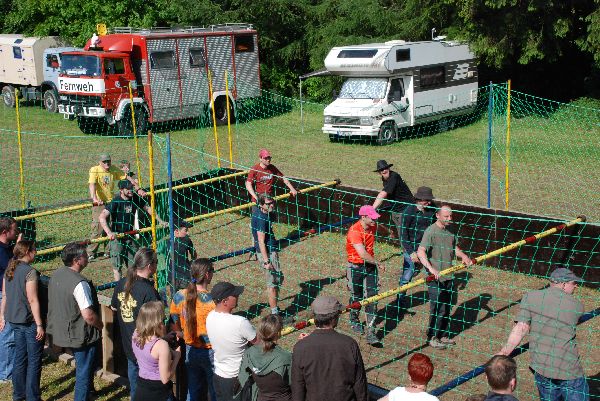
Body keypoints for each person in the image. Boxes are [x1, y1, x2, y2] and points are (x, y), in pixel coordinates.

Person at [498, 267, 589, 401]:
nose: (576, 286)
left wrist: (504, 352)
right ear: (563, 284)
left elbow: (521, 328)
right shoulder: (577, 306)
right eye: (573, 283)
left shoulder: (530, 297)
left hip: (542, 367)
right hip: (569, 370)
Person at [47, 242, 103, 401]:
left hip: (62, 331)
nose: (88, 257)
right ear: (77, 260)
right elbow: (88, 316)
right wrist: (101, 326)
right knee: (84, 372)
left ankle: (89, 393)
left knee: (83, 367)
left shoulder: (57, 274)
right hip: (80, 335)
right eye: (85, 255)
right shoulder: (80, 284)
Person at [417, 205, 473, 350]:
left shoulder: (450, 230)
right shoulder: (430, 232)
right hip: (434, 278)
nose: (449, 219)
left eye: (451, 216)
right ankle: (431, 337)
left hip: (449, 276)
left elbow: (454, 247)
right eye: (446, 216)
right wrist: (431, 268)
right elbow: (421, 251)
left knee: (446, 308)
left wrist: (464, 256)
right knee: (437, 307)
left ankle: (441, 335)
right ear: (438, 216)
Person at [291, 295, 367, 401]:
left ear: (314, 317)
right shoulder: (350, 344)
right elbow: (360, 385)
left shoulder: (300, 347)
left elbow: (297, 388)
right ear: (334, 318)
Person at [111, 248, 161, 401]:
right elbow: (157, 323)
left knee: (135, 386)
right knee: (152, 390)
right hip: (146, 349)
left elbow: (113, 307)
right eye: (156, 263)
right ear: (149, 266)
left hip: (129, 344)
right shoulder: (148, 291)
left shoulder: (121, 284)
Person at [0, 240, 44, 401]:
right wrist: (39, 324)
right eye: (34, 250)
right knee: (33, 360)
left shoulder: (10, 268)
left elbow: (4, 295)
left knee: (20, 357)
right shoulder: (30, 272)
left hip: (14, 320)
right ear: (27, 252)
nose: (36, 252)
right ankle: (33, 397)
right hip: (29, 322)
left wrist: (2, 316)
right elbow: (33, 300)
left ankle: (18, 395)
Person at [170, 258, 217, 401]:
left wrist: (182, 334)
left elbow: (173, 319)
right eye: (212, 270)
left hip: (190, 349)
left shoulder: (179, 296)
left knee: (193, 390)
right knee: (215, 392)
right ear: (207, 275)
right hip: (211, 351)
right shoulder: (213, 302)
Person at [100, 179, 165, 281]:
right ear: (121, 190)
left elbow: (148, 209)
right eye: (128, 189)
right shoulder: (116, 201)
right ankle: (119, 288)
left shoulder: (135, 198)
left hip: (130, 236)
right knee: (117, 267)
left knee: (134, 264)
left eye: (132, 188)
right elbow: (102, 216)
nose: (131, 190)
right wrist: (109, 233)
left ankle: (134, 285)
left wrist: (160, 221)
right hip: (117, 237)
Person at [206, 281, 257, 401]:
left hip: (219, 375)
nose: (237, 296)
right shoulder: (240, 322)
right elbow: (257, 342)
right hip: (238, 379)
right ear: (224, 301)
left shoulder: (210, 317)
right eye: (234, 295)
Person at [88, 153, 144, 259]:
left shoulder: (113, 169)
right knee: (98, 228)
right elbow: (92, 184)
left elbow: (126, 177)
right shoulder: (95, 169)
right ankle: (91, 252)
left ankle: (108, 250)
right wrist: (94, 198)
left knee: (110, 226)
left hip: (111, 202)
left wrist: (138, 188)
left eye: (108, 161)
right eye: (104, 162)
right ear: (100, 162)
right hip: (100, 203)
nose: (107, 163)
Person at [346, 204, 385, 345]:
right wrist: (378, 263)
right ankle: (354, 319)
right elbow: (362, 254)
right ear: (363, 217)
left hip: (369, 267)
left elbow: (378, 228)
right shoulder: (354, 231)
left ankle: (371, 331)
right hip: (355, 267)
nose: (375, 220)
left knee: (372, 298)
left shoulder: (372, 226)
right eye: (372, 218)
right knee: (356, 296)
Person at [251, 194, 291, 323]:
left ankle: (275, 310)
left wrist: (254, 248)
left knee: (278, 279)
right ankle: (275, 316)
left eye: (272, 202)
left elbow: (253, 233)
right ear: (261, 204)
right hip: (268, 254)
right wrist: (266, 260)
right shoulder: (262, 217)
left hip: (269, 252)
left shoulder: (260, 213)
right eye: (268, 204)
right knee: (272, 284)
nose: (272, 205)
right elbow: (261, 241)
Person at [132, 301, 181, 401]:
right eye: (163, 320)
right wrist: (176, 356)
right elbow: (165, 378)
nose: (164, 323)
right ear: (157, 323)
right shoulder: (161, 345)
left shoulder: (136, 334)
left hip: (141, 389)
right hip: (159, 393)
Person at [397, 187, 436, 308]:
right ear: (419, 199)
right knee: (407, 276)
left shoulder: (432, 209)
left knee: (432, 273)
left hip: (427, 249)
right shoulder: (409, 212)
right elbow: (403, 235)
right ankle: (400, 299)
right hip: (413, 249)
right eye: (427, 200)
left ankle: (435, 298)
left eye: (430, 200)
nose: (429, 202)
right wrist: (411, 252)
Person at [238, 314, 292, 401]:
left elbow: (242, 379)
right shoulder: (285, 358)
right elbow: (295, 383)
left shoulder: (249, 353)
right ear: (278, 333)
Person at [0, 216, 20, 383]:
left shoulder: (6, 247)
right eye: (15, 229)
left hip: (4, 293)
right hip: (3, 294)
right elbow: (10, 269)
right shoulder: (1, 251)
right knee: (7, 333)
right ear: (5, 232)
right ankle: (6, 373)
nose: (17, 231)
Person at [371, 160, 414, 240]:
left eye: (385, 168)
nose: (384, 170)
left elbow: (382, 194)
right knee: (402, 233)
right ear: (379, 172)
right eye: (381, 170)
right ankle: (407, 251)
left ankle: (410, 252)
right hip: (396, 208)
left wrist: (372, 209)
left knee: (406, 233)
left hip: (406, 208)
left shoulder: (394, 176)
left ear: (389, 168)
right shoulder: (384, 179)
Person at [167, 219, 197, 290]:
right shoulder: (187, 240)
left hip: (172, 277)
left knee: (175, 299)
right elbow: (194, 255)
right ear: (176, 231)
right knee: (191, 296)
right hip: (185, 276)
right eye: (186, 230)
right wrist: (191, 262)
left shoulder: (167, 242)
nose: (188, 233)